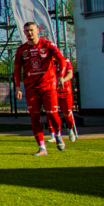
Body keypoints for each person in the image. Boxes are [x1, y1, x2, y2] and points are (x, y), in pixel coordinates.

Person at [14, 23, 67, 155]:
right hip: (31, 87)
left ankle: (58, 135)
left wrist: (60, 76)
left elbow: (62, 60)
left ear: (37, 30)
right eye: (27, 31)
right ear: (24, 33)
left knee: (52, 114)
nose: (29, 33)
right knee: (34, 117)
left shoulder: (48, 45)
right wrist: (17, 87)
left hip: (48, 85)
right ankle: (42, 148)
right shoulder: (21, 49)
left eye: (32, 30)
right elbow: (16, 70)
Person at [48, 57, 77, 143]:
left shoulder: (65, 60)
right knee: (51, 112)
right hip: (52, 90)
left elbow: (70, 74)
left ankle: (70, 130)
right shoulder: (47, 62)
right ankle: (53, 135)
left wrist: (62, 81)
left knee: (67, 112)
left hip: (65, 90)